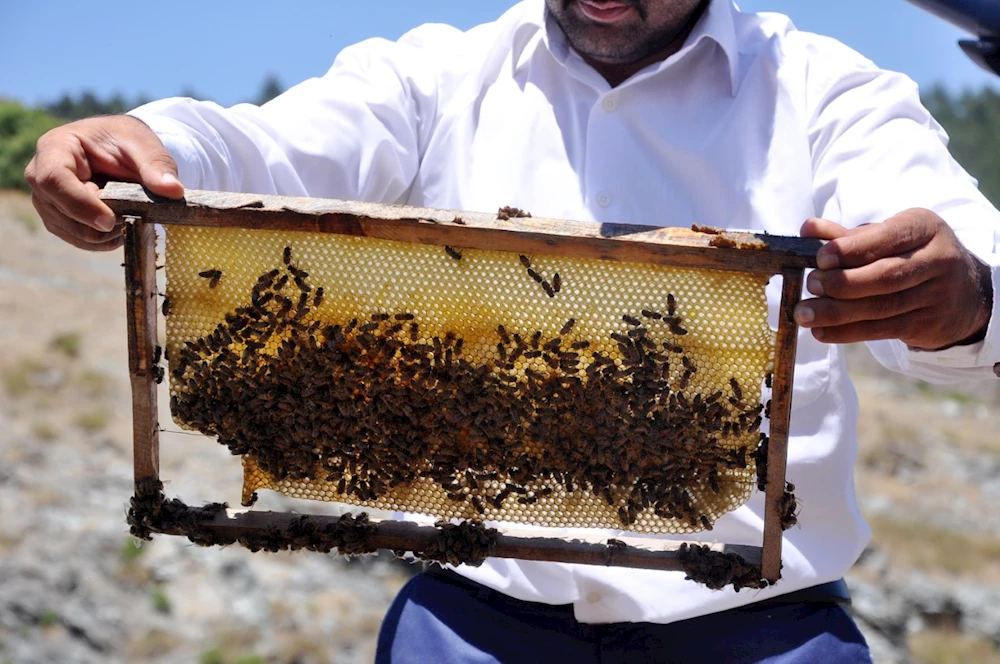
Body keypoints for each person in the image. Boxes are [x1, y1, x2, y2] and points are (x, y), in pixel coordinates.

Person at [25, 0, 1000, 661]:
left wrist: (965, 296)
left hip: (754, 634)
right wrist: (153, 144)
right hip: (469, 625)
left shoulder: (831, 96)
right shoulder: (439, 77)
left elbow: (961, 262)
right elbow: (262, 148)